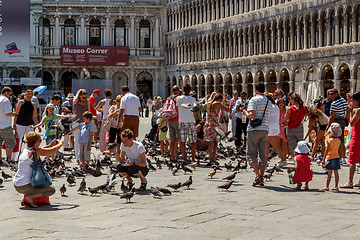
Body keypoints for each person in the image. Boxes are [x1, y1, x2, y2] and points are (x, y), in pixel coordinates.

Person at [13, 132, 62, 208]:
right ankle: (30, 198)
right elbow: (52, 150)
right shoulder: (35, 152)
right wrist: (60, 143)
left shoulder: (24, 151)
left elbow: (40, 150)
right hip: (25, 186)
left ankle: (29, 197)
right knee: (51, 190)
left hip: (16, 184)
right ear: (36, 142)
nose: (40, 142)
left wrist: (48, 146)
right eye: (40, 141)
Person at [241, 82, 272, 186]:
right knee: (263, 155)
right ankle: (261, 178)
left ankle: (258, 175)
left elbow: (251, 115)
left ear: (256, 90)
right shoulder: (268, 101)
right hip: (265, 130)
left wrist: (244, 112)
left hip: (253, 130)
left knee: (251, 154)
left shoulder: (253, 100)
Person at [340, 92, 360, 188]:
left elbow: (352, 123)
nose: (352, 102)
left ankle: (350, 181)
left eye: (353, 101)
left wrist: (351, 113)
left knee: (352, 159)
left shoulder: (358, 111)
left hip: (357, 137)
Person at [203, 93, 230, 163]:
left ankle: (211, 157)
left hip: (209, 125)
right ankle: (213, 157)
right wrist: (226, 102)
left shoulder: (209, 103)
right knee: (214, 143)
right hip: (214, 126)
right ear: (219, 99)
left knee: (212, 142)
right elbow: (227, 110)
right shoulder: (218, 103)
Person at [326, 88, 349, 163]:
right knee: (342, 140)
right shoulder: (343, 100)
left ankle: (338, 157)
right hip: (342, 121)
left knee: (336, 140)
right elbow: (348, 109)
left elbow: (332, 116)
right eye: (329, 94)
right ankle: (343, 157)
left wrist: (328, 127)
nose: (330, 96)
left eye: (332, 94)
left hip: (336, 122)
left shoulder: (334, 103)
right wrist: (345, 116)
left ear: (336, 94)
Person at [176, 84, 197, 163]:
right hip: (191, 120)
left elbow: (177, 108)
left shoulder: (179, 98)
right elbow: (195, 110)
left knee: (182, 141)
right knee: (193, 141)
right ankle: (193, 158)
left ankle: (184, 158)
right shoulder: (193, 99)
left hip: (182, 121)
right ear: (190, 90)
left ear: (183, 90)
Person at [265, 94, 286, 166]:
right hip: (273, 128)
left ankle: (283, 160)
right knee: (267, 145)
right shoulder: (275, 106)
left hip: (271, 129)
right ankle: (264, 160)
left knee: (276, 146)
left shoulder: (269, 107)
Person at [284, 92, 306, 157]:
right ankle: (302, 158)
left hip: (291, 128)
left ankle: (296, 160)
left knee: (293, 146)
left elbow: (286, 118)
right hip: (300, 127)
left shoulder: (290, 109)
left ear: (292, 100)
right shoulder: (303, 108)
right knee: (300, 145)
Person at [321, 123, 342, 191]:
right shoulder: (338, 140)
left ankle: (327, 186)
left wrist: (323, 159)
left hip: (330, 157)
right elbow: (339, 149)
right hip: (336, 157)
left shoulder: (329, 141)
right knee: (336, 173)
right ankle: (336, 186)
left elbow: (326, 151)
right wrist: (340, 156)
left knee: (329, 173)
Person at [72, 89, 91, 164]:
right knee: (77, 141)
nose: (84, 99)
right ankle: (77, 158)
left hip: (85, 123)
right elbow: (74, 100)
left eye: (85, 97)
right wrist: (79, 91)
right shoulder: (76, 101)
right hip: (76, 122)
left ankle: (84, 157)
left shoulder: (87, 101)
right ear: (79, 96)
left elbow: (88, 112)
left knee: (86, 141)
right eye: (83, 97)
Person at [0, 87, 17, 162]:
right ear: (6, 92)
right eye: (9, 94)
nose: (10, 96)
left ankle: (0, 159)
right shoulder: (5, 100)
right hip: (5, 125)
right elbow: (8, 112)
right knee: (9, 142)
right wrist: (15, 114)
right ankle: (9, 159)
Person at [95, 88, 113, 153]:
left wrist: (102, 110)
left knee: (102, 135)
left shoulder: (102, 101)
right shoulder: (113, 101)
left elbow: (96, 108)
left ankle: (103, 149)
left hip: (104, 118)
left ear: (105, 94)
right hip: (111, 119)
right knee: (111, 134)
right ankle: (111, 148)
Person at [167, 85, 181, 162]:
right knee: (177, 139)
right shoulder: (177, 98)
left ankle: (172, 156)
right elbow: (178, 109)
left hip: (170, 119)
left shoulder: (168, 98)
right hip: (176, 119)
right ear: (177, 91)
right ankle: (175, 156)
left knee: (172, 139)